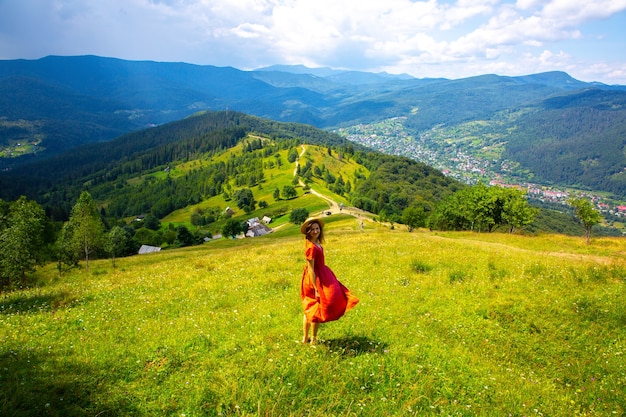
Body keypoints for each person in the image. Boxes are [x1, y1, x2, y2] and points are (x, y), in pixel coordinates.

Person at [300, 217, 359, 345]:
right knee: (311, 309)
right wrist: (316, 288)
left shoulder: (317, 244)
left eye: (317, 229)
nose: (316, 231)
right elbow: (311, 270)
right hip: (314, 279)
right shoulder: (311, 247)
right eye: (313, 229)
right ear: (308, 231)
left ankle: (313, 339)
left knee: (319, 308)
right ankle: (306, 338)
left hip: (322, 275)